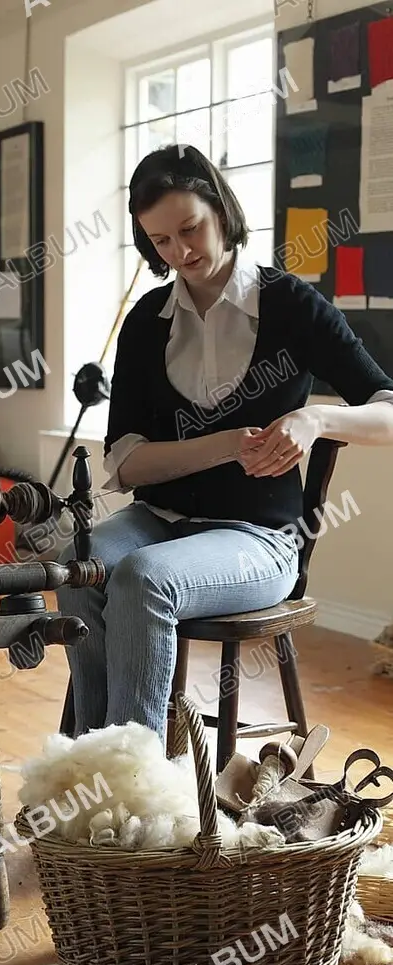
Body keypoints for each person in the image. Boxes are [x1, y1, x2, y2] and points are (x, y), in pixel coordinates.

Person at [56, 143, 393, 742]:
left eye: (190, 228)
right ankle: (90, 761)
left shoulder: (292, 304)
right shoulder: (146, 322)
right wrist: (227, 444)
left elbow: (387, 410)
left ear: (221, 209)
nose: (181, 252)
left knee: (142, 578)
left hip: (259, 538)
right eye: (160, 240)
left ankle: (130, 776)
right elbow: (127, 464)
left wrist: (315, 420)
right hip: (156, 520)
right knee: (77, 567)